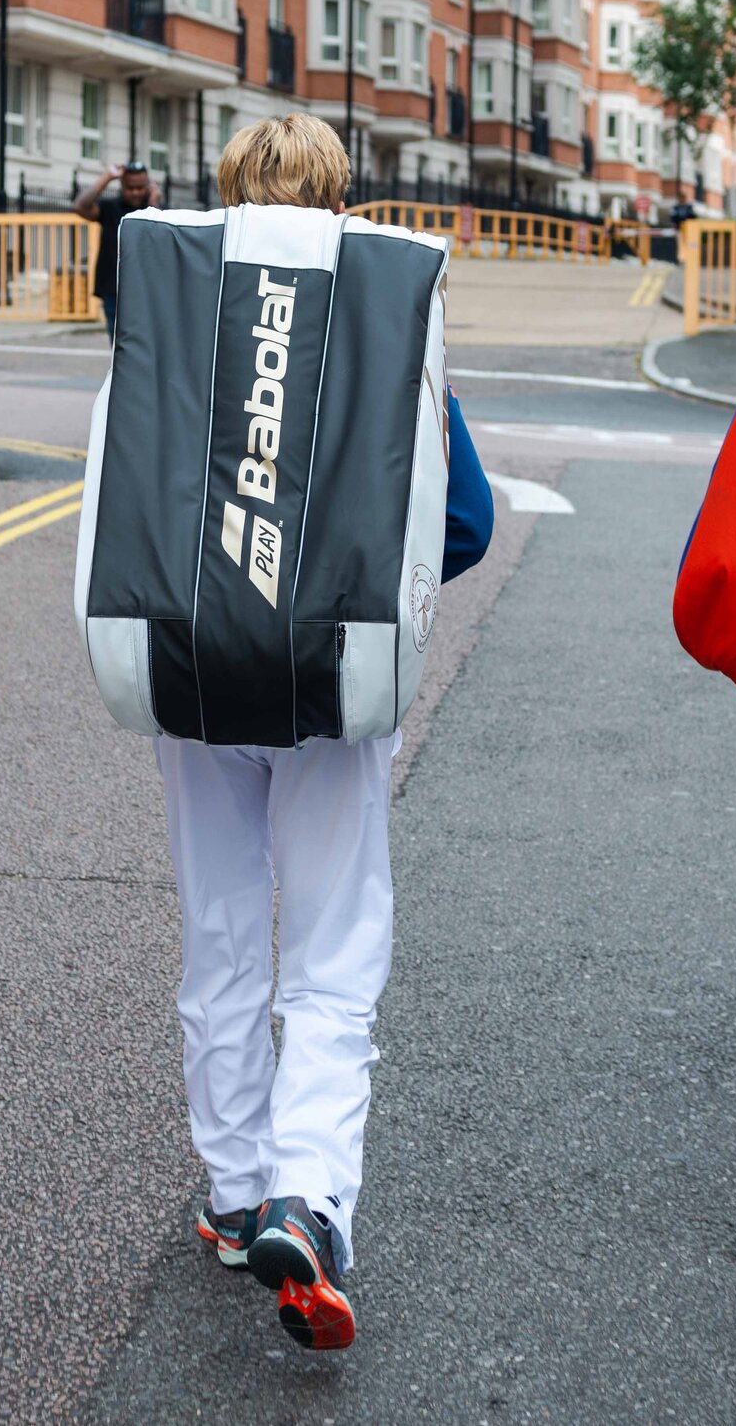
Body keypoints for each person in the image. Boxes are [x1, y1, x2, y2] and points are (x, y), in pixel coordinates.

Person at [166, 114, 493, 1349]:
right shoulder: (383, 306)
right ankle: (310, 1197)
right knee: (335, 946)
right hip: (328, 673)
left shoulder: (173, 294)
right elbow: (460, 518)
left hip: (190, 668)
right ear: (345, 199)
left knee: (220, 929)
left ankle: (233, 1187)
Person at [74, 161, 159, 341]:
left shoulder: (156, 209)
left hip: (147, 288)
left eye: (140, 187)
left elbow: (162, 238)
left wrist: (154, 204)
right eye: (130, 187)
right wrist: (107, 178)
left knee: (150, 341)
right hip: (113, 287)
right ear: (121, 186)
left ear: (149, 186)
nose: (135, 192)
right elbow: (80, 206)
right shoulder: (110, 207)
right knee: (118, 343)